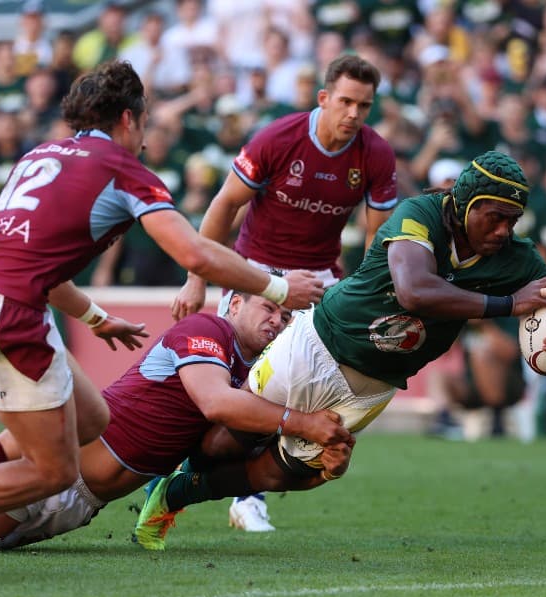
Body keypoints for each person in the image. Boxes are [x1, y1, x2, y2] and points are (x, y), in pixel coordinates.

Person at [0, 60, 325, 579]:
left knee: (92, 417)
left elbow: (41, 265)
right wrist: (279, 286)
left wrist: (98, 318)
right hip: (10, 310)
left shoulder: (41, 154)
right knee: (55, 470)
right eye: (143, 123)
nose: (144, 137)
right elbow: (195, 253)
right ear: (129, 117)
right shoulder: (121, 168)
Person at [135, 151, 546, 548]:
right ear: (465, 204)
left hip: (374, 385)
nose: (505, 229)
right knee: (227, 440)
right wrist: (508, 303)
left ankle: (175, 496)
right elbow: (413, 290)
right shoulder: (420, 214)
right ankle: (159, 472)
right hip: (319, 343)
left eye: (513, 219)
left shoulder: (516, 258)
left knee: (281, 473)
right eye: (495, 216)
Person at [0, 293, 352, 555]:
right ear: (233, 302)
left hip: (84, 502)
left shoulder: (247, 372)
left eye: (285, 317)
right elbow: (214, 405)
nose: (277, 320)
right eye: (267, 306)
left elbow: (215, 440)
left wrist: (311, 460)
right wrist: (302, 422)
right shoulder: (206, 329)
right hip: (63, 470)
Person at [171, 53, 399, 532]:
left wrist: (374, 297)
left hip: (320, 281)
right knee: (244, 389)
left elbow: (381, 242)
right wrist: (197, 277)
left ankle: (256, 489)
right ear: (323, 98)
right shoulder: (278, 138)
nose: (354, 114)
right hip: (256, 272)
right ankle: (203, 481)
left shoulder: (375, 154)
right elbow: (224, 204)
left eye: (364, 105)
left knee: (308, 394)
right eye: (345, 102)